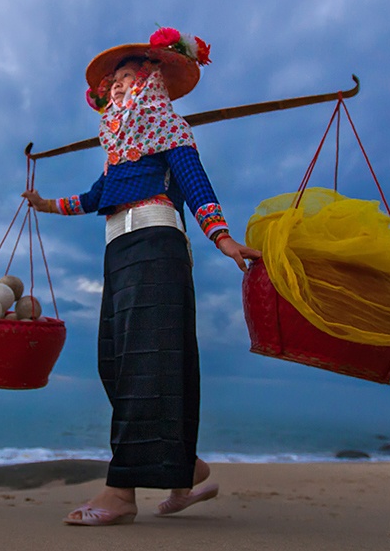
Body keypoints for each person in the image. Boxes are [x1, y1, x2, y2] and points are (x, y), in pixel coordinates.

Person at [22, 26, 261, 526]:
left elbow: (195, 183)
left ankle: (121, 493)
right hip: (120, 251)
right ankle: (183, 469)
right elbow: (93, 198)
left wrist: (222, 237)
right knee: (117, 360)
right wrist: (45, 205)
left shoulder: (168, 129)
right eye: (114, 82)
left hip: (157, 247)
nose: (119, 86)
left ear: (152, 80)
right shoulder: (118, 153)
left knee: (141, 362)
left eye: (130, 76)